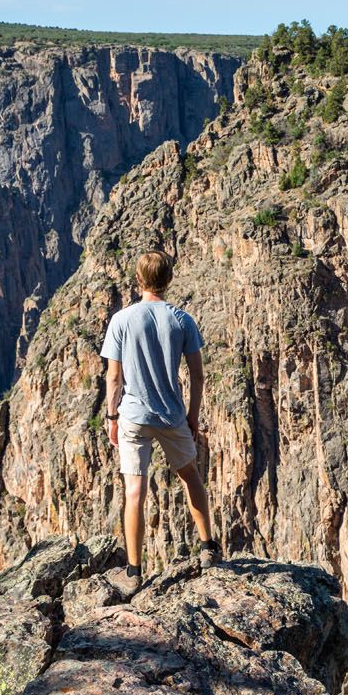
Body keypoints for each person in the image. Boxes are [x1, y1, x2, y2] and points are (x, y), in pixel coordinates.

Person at [101, 250, 219, 594]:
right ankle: (208, 546)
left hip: (134, 416)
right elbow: (197, 376)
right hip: (171, 415)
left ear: (139, 280)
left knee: (134, 491)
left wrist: (112, 417)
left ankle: (134, 570)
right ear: (168, 280)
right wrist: (192, 416)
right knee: (191, 477)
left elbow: (113, 378)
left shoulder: (121, 321)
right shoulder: (182, 320)